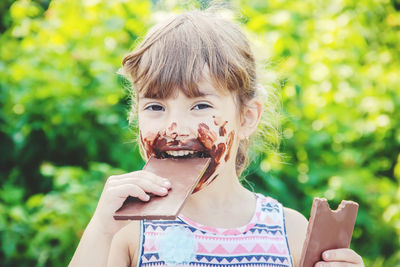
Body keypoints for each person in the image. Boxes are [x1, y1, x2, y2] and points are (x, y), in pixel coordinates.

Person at [69, 8, 364, 267]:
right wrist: (101, 229)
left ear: (247, 117)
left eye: (200, 105)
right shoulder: (129, 232)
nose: (174, 128)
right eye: (155, 106)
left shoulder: (290, 232)